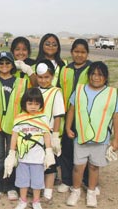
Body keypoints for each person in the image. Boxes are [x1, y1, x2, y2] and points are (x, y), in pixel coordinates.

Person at [65, 61, 118, 208]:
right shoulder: (80, 89)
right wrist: (68, 128)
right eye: (93, 74)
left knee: (94, 167)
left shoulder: (112, 94)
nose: (96, 77)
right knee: (78, 167)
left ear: (105, 77)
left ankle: (91, 192)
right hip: (80, 137)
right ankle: (75, 191)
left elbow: (115, 116)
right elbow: (71, 110)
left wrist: (116, 139)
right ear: (88, 76)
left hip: (101, 139)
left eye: (100, 74)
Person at [3, 87, 55, 209]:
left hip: (38, 158)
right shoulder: (19, 118)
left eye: (36, 104)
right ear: (24, 103)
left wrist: (49, 152)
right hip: (22, 158)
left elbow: (46, 135)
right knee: (23, 181)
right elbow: (14, 136)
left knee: (37, 182)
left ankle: (36, 201)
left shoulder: (43, 118)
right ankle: (23, 201)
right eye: (30, 103)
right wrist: (11, 152)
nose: (33, 106)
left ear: (40, 104)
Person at [0, 52, 27, 201]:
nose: (4, 66)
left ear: (13, 65)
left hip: (14, 127)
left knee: (12, 156)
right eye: (1, 63)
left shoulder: (21, 82)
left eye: (7, 63)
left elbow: (25, 105)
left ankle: (10, 186)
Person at [57, 39, 93, 193]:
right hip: (67, 116)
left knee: (85, 149)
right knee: (66, 149)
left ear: (87, 53)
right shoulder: (65, 69)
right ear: (71, 52)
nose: (79, 55)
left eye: (83, 52)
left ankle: (86, 180)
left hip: (85, 117)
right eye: (76, 52)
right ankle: (66, 180)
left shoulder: (91, 69)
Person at [35, 60, 65, 204]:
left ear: (52, 77)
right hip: (36, 135)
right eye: (40, 77)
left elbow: (58, 115)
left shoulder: (56, 92)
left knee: (50, 164)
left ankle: (48, 193)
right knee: (38, 162)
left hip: (50, 135)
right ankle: (38, 189)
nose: (43, 80)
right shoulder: (34, 91)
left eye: (47, 77)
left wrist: (55, 136)